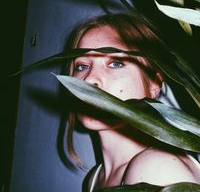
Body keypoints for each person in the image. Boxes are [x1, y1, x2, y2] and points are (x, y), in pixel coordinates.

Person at [65, 13, 200, 190]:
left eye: (115, 63)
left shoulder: (157, 170)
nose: (89, 80)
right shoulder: (95, 178)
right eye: (82, 66)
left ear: (154, 84)